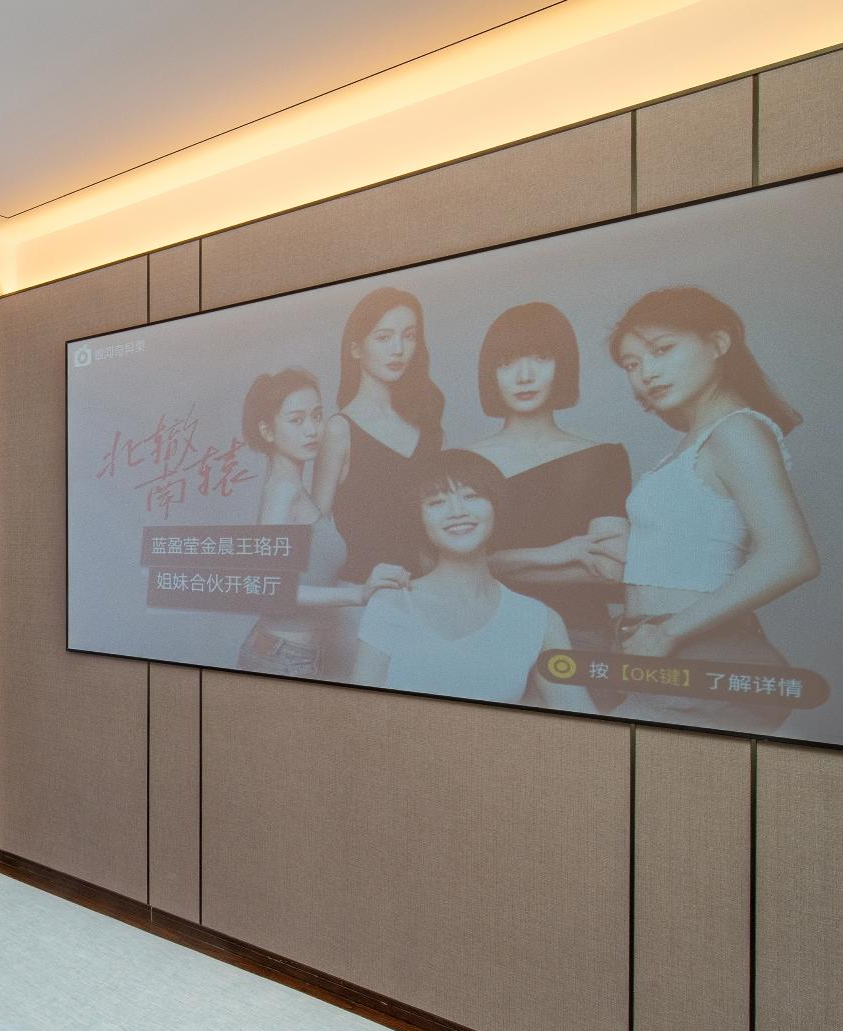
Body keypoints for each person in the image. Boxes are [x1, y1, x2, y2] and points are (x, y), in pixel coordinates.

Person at [606, 286, 820, 733]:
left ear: (719, 343)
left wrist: (667, 632)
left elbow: (792, 557)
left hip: (697, 652)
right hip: (658, 656)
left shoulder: (737, 432)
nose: (646, 372)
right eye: (631, 364)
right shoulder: (696, 441)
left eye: (662, 349)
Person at [462, 302, 631, 687]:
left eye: (540, 358)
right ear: (490, 373)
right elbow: (439, 567)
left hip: (578, 639)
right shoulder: (461, 463)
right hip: (483, 635)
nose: (524, 376)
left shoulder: (604, 457)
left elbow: (610, 569)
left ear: (563, 365)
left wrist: (488, 563)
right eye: (507, 362)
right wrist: (558, 555)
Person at [352, 450, 596, 712]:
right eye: (437, 502)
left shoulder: (539, 620)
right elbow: (358, 714)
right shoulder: (391, 602)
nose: (457, 512)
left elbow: (583, 722)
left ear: (496, 507)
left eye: (471, 496)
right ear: (419, 519)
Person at [234, 368, 408, 678]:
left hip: (290, 654)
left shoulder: (294, 488)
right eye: (297, 420)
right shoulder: (283, 492)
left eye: (317, 416)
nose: (312, 430)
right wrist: (358, 594)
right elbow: (269, 589)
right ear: (267, 431)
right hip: (281, 657)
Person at [313, 286, 444, 584]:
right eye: (384, 337)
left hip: (424, 593)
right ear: (356, 349)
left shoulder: (427, 429)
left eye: (409, 336)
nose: (398, 349)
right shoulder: (339, 430)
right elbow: (317, 536)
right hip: (363, 594)